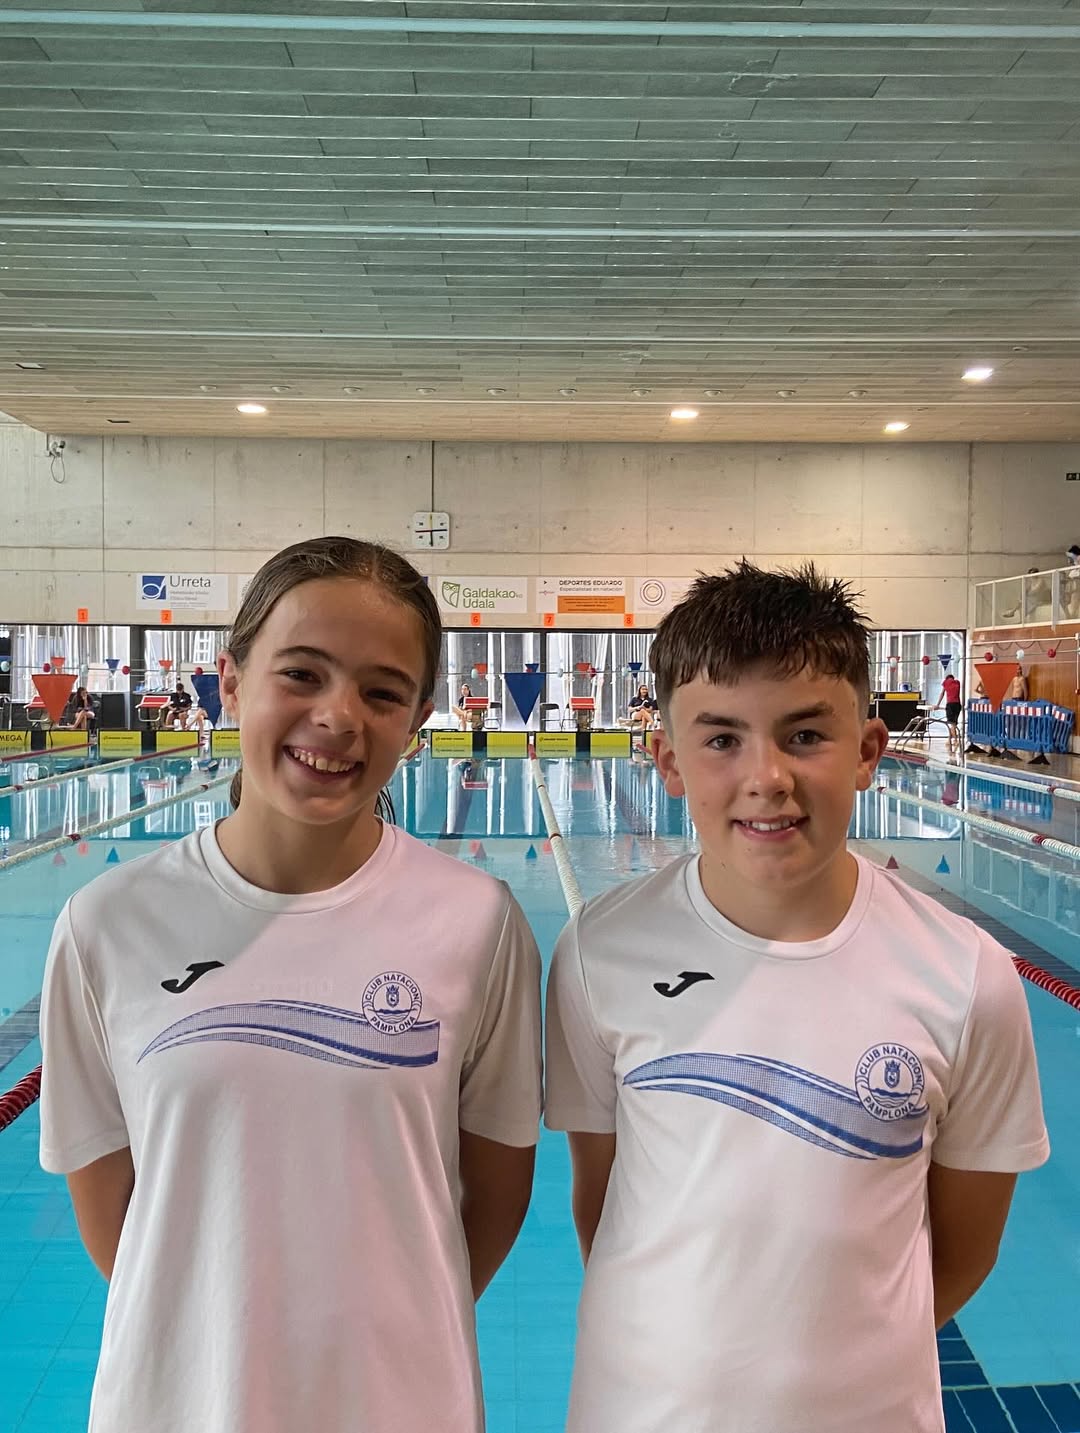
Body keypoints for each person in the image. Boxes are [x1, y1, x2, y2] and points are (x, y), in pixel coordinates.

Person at [39, 536, 543, 1433]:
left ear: (418, 717)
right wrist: (216, 1335)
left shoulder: (478, 921)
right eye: (302, 674)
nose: (338, 716)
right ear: (231, 682)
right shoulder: (106, 923)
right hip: (179, 1405)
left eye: (382, 692)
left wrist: (386, 1328)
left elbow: (497, 1194)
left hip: (401, 1404)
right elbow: (115, 1215)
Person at [545, 560, 1048, 1433]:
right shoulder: (599, 951)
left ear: (868, 753)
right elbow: (606, 1203)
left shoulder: (967, 974)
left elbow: (965, 1249)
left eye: (805, 735)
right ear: (668, 760)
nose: (767, 776)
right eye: (722, 738)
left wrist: (834, 1365)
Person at [935, 670, 963, 758]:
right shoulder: (957, 682)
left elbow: (942, 694)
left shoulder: (945, 682)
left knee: (952, 724)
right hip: (958, 704)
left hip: (950, 704)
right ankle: (949, 739)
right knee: (954, 723)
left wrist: (937, 705)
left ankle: (956, 740)